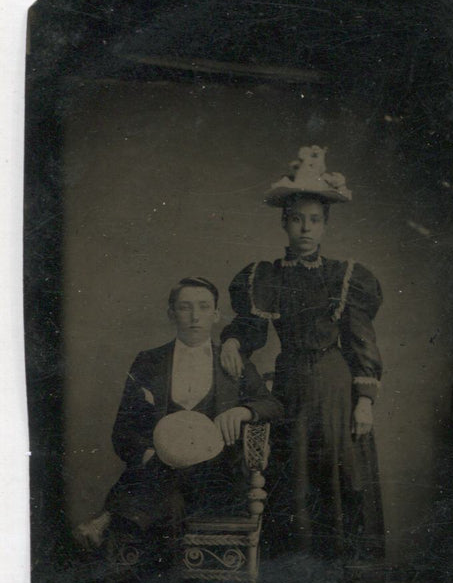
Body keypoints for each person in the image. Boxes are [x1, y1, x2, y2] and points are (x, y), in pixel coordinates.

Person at [220, 146, 384, 560]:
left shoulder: (343, 277)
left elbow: (361, 339)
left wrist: (364, 401)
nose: (305, 229)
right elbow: (252, 326)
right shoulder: (267, 276)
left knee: (334, 472)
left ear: (325, 225)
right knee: (291, 476)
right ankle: (295, 578)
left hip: (333, 386)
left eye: (314, 221)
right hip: (289, 381)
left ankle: (337, 577)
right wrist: (234, 340)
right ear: (284, 223)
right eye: (297, 220)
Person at [77, 276, 283, 547]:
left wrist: (242, 411)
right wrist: (149, 454)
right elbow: (123, 430)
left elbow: (273, 405)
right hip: (160, 471)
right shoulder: (149, 361)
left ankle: (109, 516)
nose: (195, 316)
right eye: (185, 307)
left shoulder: (233, 362)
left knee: (167, 496)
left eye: (203, 307)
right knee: (170, 504)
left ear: (216, 314)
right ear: (171, 314)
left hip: (216, 475)